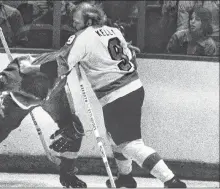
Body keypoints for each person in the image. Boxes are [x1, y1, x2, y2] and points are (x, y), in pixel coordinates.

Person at [27, 2, 186, 188]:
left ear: (88, 20)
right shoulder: (113, 31)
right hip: (134, 88)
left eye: (76, 21)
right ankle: (125, 178)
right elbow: (130, 57)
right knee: (116, 139)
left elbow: (62, 63)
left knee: (130, 145)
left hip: (116, 96)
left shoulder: (82, 37)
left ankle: (171, 181)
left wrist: (34, 70)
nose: (73, 24)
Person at [0, 55, 87, 188]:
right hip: (19, 101)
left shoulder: (60, 66)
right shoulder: (15, 76)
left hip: (55, 94)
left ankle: (67, 174)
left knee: (73, 129)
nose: (43, 98)